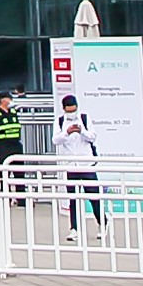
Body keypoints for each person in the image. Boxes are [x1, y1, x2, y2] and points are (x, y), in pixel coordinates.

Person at [55, 98, 101, 235]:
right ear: (64, 109)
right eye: (69, 111)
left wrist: (81, 131)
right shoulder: (60, 121)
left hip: (86, 164)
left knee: (94, 197)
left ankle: (102, 222)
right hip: (71, 165)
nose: (72, 113)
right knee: (73, 199)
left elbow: (93, 137)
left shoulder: (84, 118)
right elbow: (55, 140)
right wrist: (67, 132)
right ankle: (74, 228)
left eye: (74, 110)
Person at [0, 90, 26, 205]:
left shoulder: (13, 113)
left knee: (19, 173)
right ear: (3, 100)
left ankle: (21, 198)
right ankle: (6, 197)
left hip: (16, 145)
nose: (11, 101)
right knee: (4, 174)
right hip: (3, 146)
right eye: (9, 99)